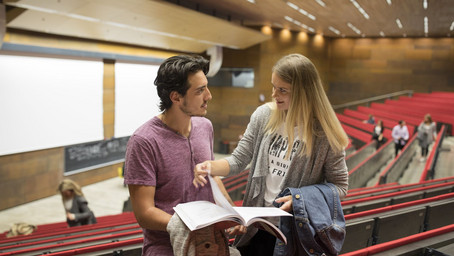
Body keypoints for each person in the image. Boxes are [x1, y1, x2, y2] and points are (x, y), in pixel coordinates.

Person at [194, 53, 349, 256]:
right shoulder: (263, 115)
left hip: (292, 234)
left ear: (304, 93)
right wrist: (210, 167)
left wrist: (301, 199)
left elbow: (340, 187)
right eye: (273, 86)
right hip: (256, 229)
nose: (274, 95)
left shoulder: (325, 135)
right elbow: (240, 159)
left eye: (282, 90)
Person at [123, 55, 236, 256]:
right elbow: (144, 213)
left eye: (206, 87)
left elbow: (213, 178)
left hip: (211, 241)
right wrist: (191, 226)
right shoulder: (144, 140)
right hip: (166, 246)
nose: (209, 96)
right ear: (176, 97)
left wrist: (233, 213)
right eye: (200, 91)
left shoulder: (205, 126)